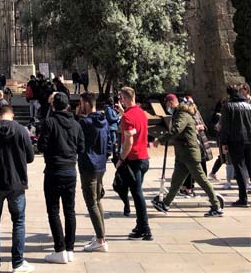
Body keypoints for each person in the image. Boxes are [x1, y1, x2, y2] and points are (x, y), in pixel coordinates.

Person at [0, 103, 35, 273]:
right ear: (12, 115)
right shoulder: (21, 130)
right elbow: (31, 157)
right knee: (18, 222)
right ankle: (18, 263)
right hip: (16, 183)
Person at [151, 94, 224, 217]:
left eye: (167, 104)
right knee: (176, 181)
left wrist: (161, 140)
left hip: (189, 154)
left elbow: (176, 130)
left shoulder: (183, 114)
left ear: (171, 103)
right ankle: (165, 204)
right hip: (183, 155)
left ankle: (216, 206)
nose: (167, 107)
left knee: (202, 180)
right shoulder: (180, 113)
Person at [38, 91, 84, 264]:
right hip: (70, 172)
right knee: (70, 210)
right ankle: (70, 249)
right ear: (67, 106)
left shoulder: (49, 122)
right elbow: (81, 148)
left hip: (53, 171)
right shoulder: (76, 124)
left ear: (52, 106)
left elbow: (41, 146)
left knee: (53, 211)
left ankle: (60, 249)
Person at [116, 86, 152, 240]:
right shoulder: (141, 113)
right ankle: (140, 224)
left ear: (124, 99)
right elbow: (135, 127)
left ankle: (145, 228)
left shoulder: (127, 117)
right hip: (144, 158)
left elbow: (129, 140)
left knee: (137, 194)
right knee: (136, 192)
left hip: (133, 159)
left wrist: (121, 159)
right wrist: (123, 114)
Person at [77, 92, 111, 252]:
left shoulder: (85, 122)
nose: (79, 106)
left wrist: (78, 117)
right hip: (101, 165)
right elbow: (110, 142)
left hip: (88, 165)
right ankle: (101, 234)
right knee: (97, 200)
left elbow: (78, 140)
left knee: (91, 202)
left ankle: (100, 240)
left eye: (81, 103)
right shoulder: (103, 120)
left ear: (86, 104)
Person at [219, 83, 251, 207]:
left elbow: (225, 127)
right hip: (249, 139)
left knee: (240, 168)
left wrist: (224, 142)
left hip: (236, 141)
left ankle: (243, 198)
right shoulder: (248, 106)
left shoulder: (228, 106)